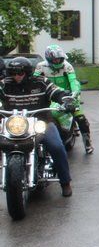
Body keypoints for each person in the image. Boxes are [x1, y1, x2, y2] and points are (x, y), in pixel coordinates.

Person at [0, 57, 74, 196]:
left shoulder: (41, 82)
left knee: (56, 146)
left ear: (27, 72)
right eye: (13, 73)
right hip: (15, 124)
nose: (16, 76)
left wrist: (65, 100)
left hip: (41, 121)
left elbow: (57, 92)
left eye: (20, 73)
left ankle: (65, 182)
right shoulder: (5, 84)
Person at [34, 45, 93, 154]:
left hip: (67, 95)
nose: (58, 61)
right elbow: (34, 81)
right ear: (48, 59)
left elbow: (73, 81)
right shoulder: (40, 66)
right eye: (55, 59)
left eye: (59, 59)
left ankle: (87, 142)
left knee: (80, 117)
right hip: (49, 96)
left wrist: (75, 92)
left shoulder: (67, 66)